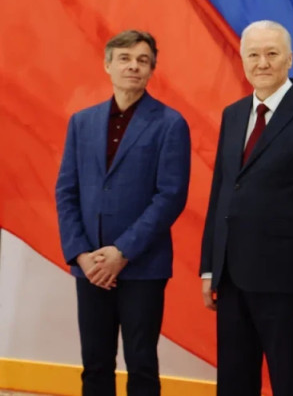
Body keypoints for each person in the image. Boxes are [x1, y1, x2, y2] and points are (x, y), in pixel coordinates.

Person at [199, 20, 293, 396]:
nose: (262, 63)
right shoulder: (233, 115)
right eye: (253, 54)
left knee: (287, 382)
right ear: (243, 59)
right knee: (233, 383)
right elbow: (221, 193)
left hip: (286, 281)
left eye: (272, 53)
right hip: (231, 277)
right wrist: (209, 267)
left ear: (289, 59)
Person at [56, 30, 191, 396]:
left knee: (141, 365)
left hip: (142, 267)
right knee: (95, 364)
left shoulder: (170, 124)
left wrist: (122, 252)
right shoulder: (82, 122)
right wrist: (82, 255)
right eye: (125, 59)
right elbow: (66, 191)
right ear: (108, 65)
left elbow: (170, 196)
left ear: (151, 70)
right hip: (91, 267)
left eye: (142, 60)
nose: (133, 66)